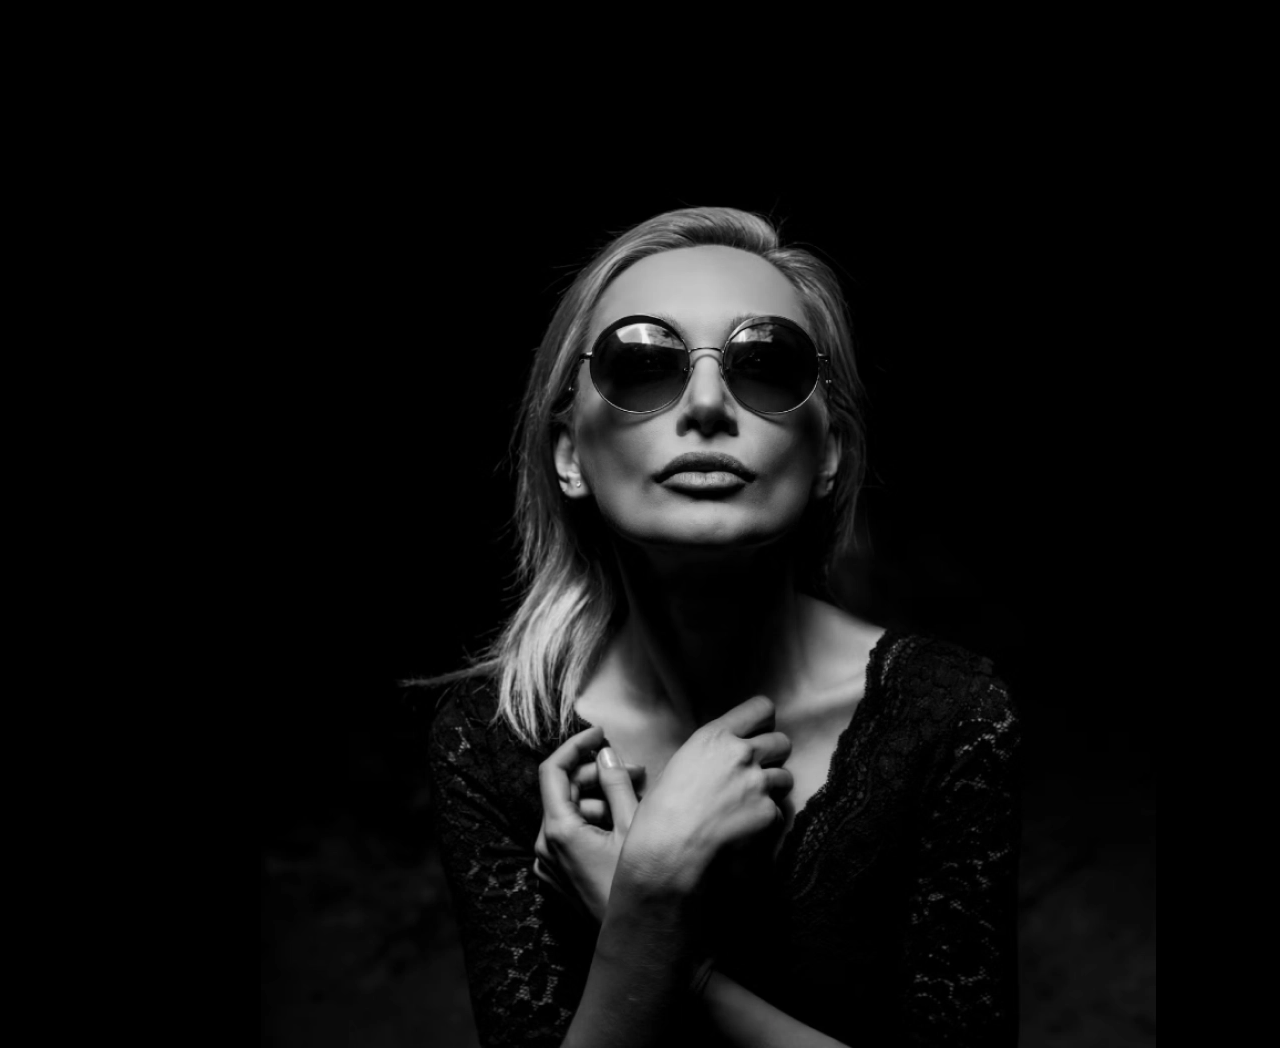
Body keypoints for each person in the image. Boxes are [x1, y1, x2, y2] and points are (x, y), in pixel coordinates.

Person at [420, 206, 1021, 1047]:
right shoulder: (493, 737)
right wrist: (649, 906)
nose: (707, 404)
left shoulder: (952, 717)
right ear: (568, 454)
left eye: (766, 365)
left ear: (830, 453)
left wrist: (660, 933)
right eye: (641, 363)